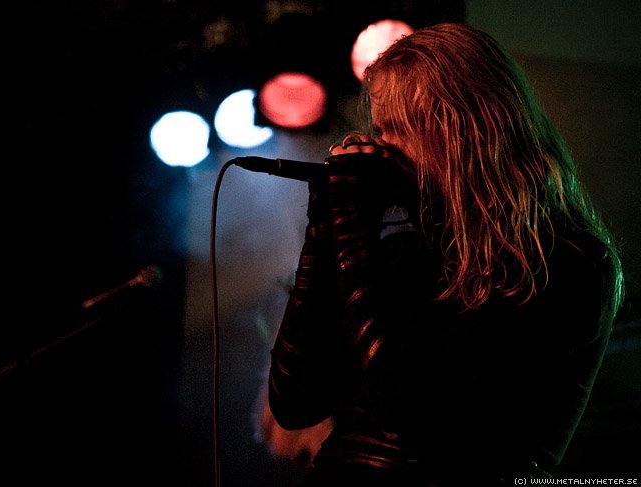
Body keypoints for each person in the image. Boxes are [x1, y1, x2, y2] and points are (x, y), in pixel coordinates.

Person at [267, 22, 624, 486]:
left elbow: (414, 412)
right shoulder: (403, 251)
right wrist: (324, 230)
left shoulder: (564, 260)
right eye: (378, 130)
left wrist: (352, 229)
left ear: (459, 131)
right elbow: (294, 401)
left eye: (395, 130)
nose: (379, 147)